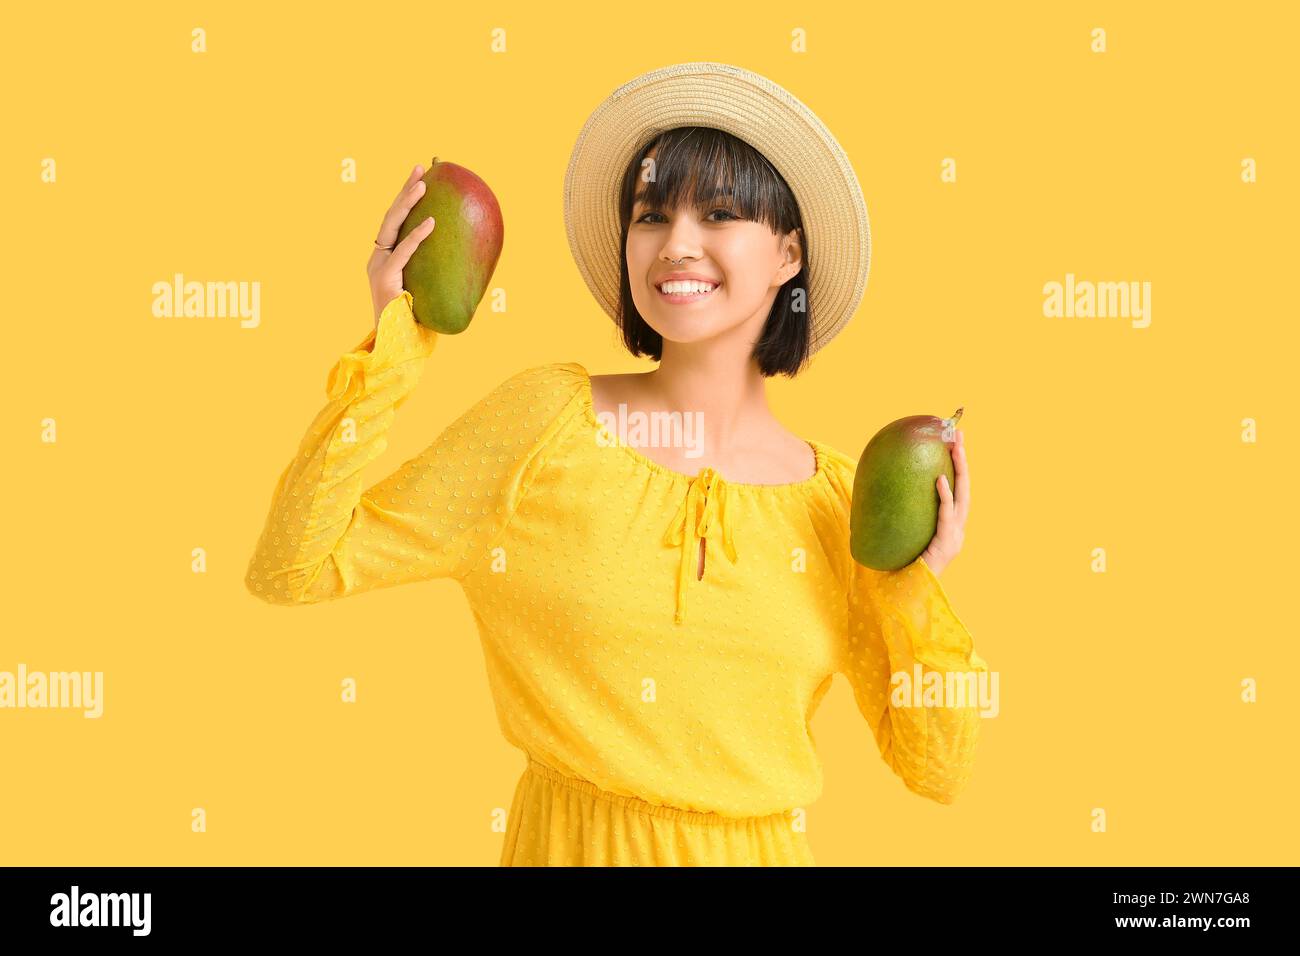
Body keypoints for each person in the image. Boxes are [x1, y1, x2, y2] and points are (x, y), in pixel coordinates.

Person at [244, 62, 987, 866]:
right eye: (651, 214)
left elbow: (937, 770)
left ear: (787, 254)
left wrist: (911, 586)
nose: (676, 245)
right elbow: (291, 566)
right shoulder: (544, 424)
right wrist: (396, 344)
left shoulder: (838, 507)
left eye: (721, 213)